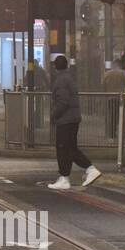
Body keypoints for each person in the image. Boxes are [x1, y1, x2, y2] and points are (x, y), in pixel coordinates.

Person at [47, 55, 101, 190]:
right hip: (72, 118)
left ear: (55, 67)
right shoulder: (69, 77)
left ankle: (74, 174)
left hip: (65, 119)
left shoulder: (61, 81)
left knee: (63, 149)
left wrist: (53, 115)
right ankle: (71, 175)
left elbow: (63, 102)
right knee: (70, 148)